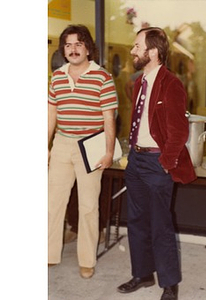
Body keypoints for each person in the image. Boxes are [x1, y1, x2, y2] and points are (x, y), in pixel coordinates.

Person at [117, 27, 196, 300]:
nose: (132, 51)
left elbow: (179, 131)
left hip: (156, 162)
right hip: (136, 160)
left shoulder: (171, 84)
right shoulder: (139, 82)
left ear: (153, 52)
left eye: (137, 47)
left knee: (161, 224)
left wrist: (166, 162)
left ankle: (169, 283)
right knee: (136, 220)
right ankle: (142, 274)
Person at [48, 24, 118, 279]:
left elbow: (109, 118)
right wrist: (45, 147)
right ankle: (48, 253)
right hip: (62, 144)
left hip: (90, 145)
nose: (73, 49)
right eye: (68, 45)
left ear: (88, 48)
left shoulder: (102, 77)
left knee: (88, 206)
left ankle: (87, 260)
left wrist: (109, 152)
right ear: (63, 50)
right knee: (53, 203)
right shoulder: (57, 76)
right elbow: (51, 113)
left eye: (78, 44)